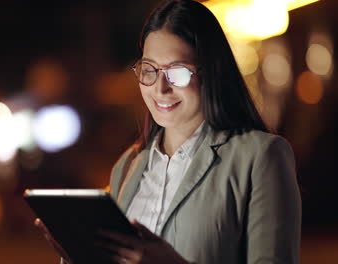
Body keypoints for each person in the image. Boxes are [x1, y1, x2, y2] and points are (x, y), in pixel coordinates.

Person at [50, 0, 301, 263]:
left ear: (211, 72)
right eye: (149, 70)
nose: (160, 88)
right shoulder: (127, 166)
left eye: (177, 73)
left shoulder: (260, 157)